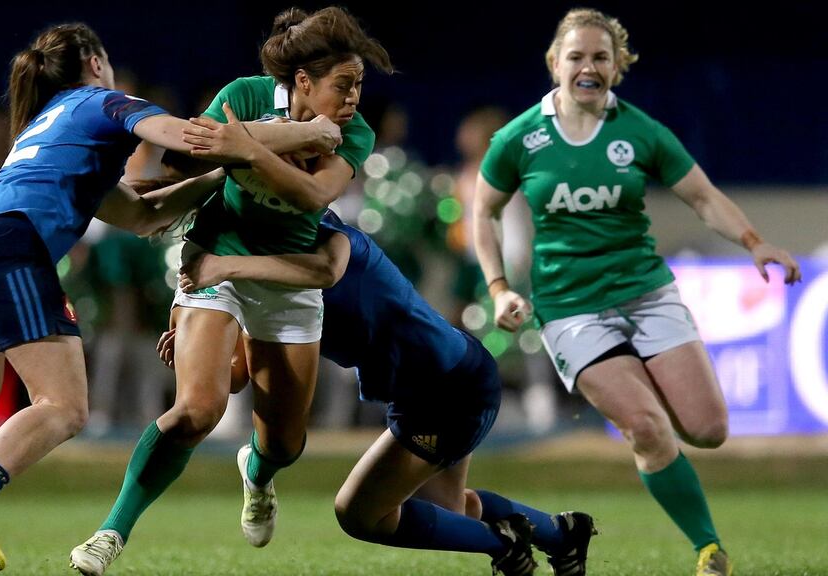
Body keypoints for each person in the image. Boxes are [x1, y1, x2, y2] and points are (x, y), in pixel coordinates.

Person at [0, 22, 231, 576]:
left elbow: (140, 215)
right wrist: (258, 144)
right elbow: (185, 136)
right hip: (9, 246)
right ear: (92, 61)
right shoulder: (102, 101)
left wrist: (220, 179)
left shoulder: (53, 128)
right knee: (63, 405)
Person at [471, 9, 802, 576]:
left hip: (647, 292)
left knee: (709, 430)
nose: (588, 66)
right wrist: (499, 287)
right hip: (570, 307)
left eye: (601, 57)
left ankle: (658, 410)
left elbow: (703, 197)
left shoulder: (641, 131)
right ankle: (708, 549)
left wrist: (754, 241)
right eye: (576, 56)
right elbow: (484, 210)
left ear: (618, 67)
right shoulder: (519, 137)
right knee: (646, 428)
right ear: (555, 64)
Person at [69, 6, 392, 574]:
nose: (353, 99)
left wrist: (252, 147)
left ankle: (258, 471)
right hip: (214, 259)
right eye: (344, 86)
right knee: (198, 409)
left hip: (285, 277)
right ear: (302, 82)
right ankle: (109, 533)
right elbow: (192, 148)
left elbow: (312, 198)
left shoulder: (353, 133)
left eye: (359, 86)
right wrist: (293, 133)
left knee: (285, 444)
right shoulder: (243, 95)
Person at [164, 209, 598, 576]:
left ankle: (503, 545)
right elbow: (240, 376)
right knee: (452, 512)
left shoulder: (324, 238)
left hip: (445, 388)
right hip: (433, 385)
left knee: (359, 513)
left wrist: (226, 269)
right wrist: (199, 356)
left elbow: (324, 274)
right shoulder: (264, 271)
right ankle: (562, 534)